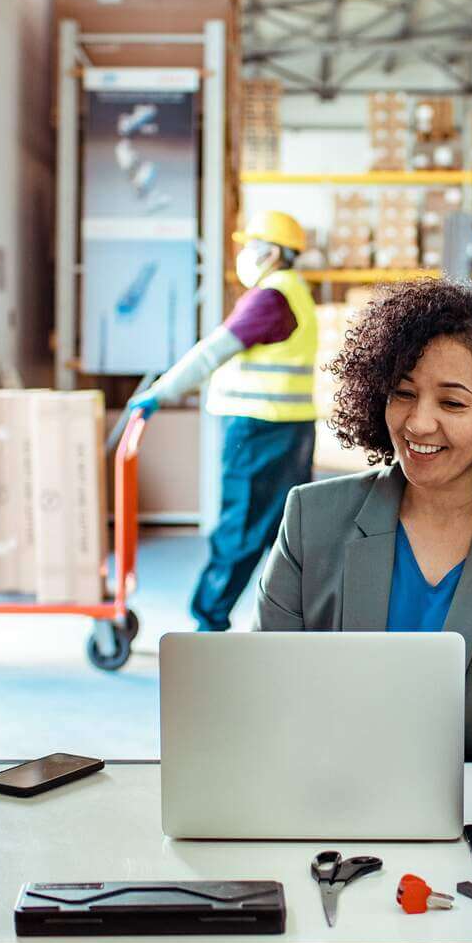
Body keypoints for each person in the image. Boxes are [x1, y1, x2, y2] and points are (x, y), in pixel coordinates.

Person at [252, 279, 472, 758]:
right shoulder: (312, 518)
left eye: (453, 402)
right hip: (331, 797)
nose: (418, 423)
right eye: (402, 393)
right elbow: (262, 689)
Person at [131, 209, 319, 632]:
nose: (245, 254)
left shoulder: (270, 298)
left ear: (272, 253)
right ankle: (300, 622)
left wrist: (159, 393)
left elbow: (212, 352)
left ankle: (209, 620)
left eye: (250, 246)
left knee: (241, 529)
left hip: (259, 430)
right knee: (283, 533)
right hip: (289, 426)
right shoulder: (295, 292)